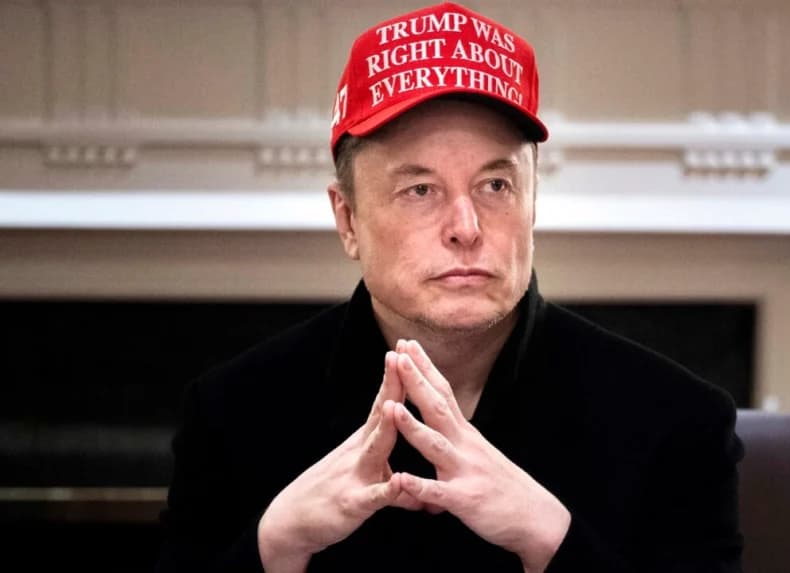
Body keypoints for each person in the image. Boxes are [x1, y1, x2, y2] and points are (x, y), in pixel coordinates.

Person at [156, 3, 744, 572]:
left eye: (495, 186)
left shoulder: (677, 421)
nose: (466, 228)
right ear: (348, 220)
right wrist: (276, 546)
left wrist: (550, 540)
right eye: (420, 190)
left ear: (533, 203)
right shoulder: (231, 414)